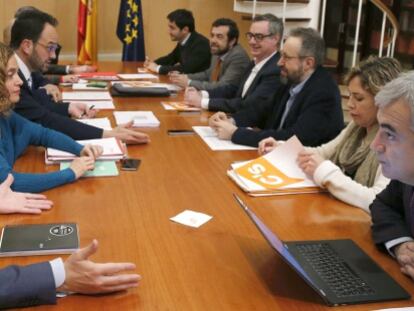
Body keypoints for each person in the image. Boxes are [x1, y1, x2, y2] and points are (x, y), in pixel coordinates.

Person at [259, 57, 402, 212]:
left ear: (382, 101)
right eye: (350, 96)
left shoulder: (395, 142)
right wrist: (282, 148)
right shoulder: (356, 127)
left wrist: (326, 172)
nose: (350, 104)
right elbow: (323, 153)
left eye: (359, 98)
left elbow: (376, 200)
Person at [10, 10, 149, 143]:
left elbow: (37, 107)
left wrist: (68, 108)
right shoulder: (9, 80)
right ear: (27, 46)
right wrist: (107, 134)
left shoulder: (27, 70)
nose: (53, 56)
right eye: (50, 47)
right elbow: (44, 119)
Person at [209, 27, 344, 147]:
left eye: (286, 57)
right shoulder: (292, 78)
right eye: (281, 55)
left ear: (308, 63)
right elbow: (261, 111)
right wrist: (231, 120)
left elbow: (294, 139)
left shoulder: (324, 93)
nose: (279, 63)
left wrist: (235, 134)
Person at [0, 41, 101, 193]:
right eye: (10, 75)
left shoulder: (6, 114)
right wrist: (71, 173)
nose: (19, 81)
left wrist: (80, 149)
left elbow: (43, 134)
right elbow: (10, 183)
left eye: (17, 73)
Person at [184, 13, 282, 113]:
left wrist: (203, 102)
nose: (252, 41)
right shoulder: (254, 62)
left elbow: (247, 105)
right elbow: (233, 89)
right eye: (250, 35)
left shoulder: (275, 70)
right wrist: (203, 94)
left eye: (259, 36)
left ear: (275, 39)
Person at [370, 71, 414, 281]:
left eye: (389, 134)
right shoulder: (406, 179)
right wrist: (401, 244)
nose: (375, 145)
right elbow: (382, 205)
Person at [169, 18, 250, 91]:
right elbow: (208, 74)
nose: (213, 40)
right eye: (212, 35)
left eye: (219, 37)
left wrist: (189, 82)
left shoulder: (238, 57)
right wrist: (184, 77)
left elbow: (222, 87)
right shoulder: (217, 51)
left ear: (232, 41)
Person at [144, 9, 210, 75]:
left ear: (185, 30)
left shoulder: (201, 44)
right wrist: (153, 63)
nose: (168, 32)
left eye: (172, 28)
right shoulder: (184, 40)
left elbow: (186, 68)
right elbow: (171, 58)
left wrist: (158, 68)